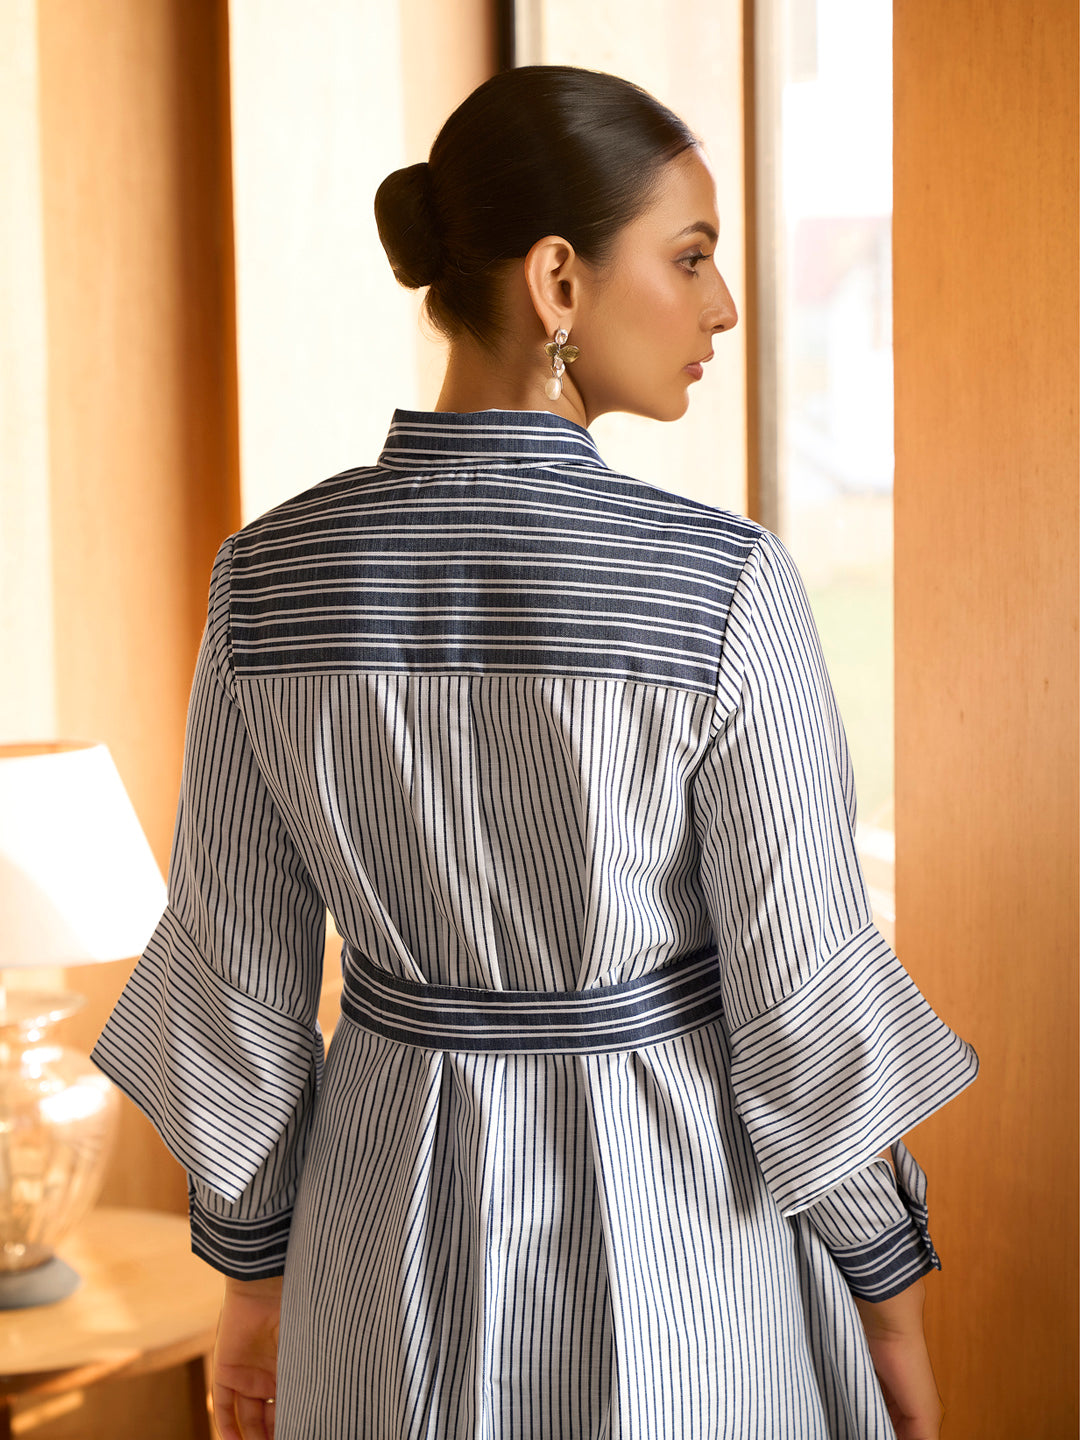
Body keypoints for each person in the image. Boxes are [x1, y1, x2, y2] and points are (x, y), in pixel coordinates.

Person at [93, 65, 978, 1440]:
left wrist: (255, 1285)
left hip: (375, 1244)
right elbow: (803, 997)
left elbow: (234, 988)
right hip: (685, 1234)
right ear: (557, 282)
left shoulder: (267, 581)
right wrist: (888, 1288)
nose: (722, 307)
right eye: (689, 259)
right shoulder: (722, 587)